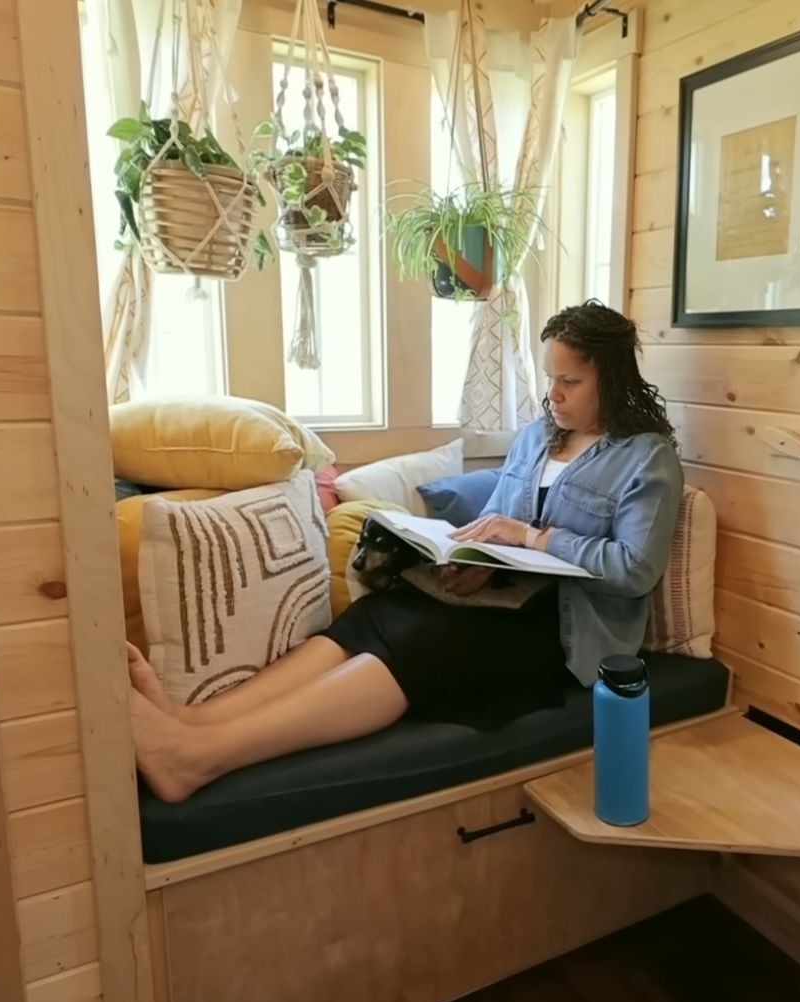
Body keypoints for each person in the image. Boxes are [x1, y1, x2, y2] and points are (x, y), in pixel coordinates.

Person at [129, 300, 683, 803]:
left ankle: (200, 759)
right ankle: (191, 722)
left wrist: (535, 539)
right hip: (507, 601)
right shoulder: (537, 436)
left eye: (571, 381)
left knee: (423, 639)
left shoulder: (647, 459)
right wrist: (476, 568)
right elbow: (499, 525)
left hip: (563, 632)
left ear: (610, 380)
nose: (554, 394)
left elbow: (634, 570)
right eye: (550, 379)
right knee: (379, 612)